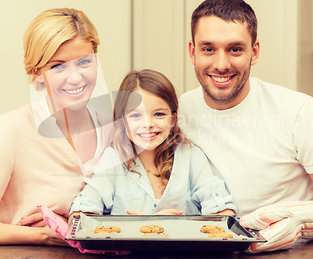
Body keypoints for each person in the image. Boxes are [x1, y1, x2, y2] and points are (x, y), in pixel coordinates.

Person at [177, 0, 313, 252]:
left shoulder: (298, 110)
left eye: (235, 49)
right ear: (193, 52)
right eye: (208, 49)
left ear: (254, 52)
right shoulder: (175, 114)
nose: (221, 64)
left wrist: (298, 223)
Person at [0, 8, 114, 247]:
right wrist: (41, 235)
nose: (75, 78)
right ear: (37, 73)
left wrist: (69, 221)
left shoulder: (113, 129)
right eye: (58, 66)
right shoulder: (12, 129)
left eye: (84, 62)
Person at [69, 69, 236, 217]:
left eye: (159, 114)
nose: (148, 124)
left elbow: (224, 213)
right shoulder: (113, 159)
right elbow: (79, 216)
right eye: (135, 115)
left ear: (173, 118)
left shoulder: (191, 155)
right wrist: (141, 226)